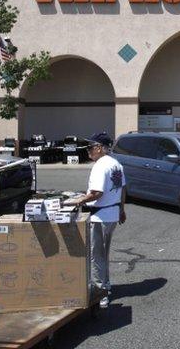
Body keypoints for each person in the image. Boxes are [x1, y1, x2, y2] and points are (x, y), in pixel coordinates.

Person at [74, 132, 126, 308]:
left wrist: (78, 200)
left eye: (91, 146)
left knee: (96, 256)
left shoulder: (101, 166)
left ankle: (100, 291)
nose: (88, 150)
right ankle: (106, 285)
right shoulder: (116, 164)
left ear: (99, 148)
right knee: (103, 254)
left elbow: (97, 193)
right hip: (111, 214)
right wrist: (121, 209)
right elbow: (122, 188)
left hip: (100, 216)